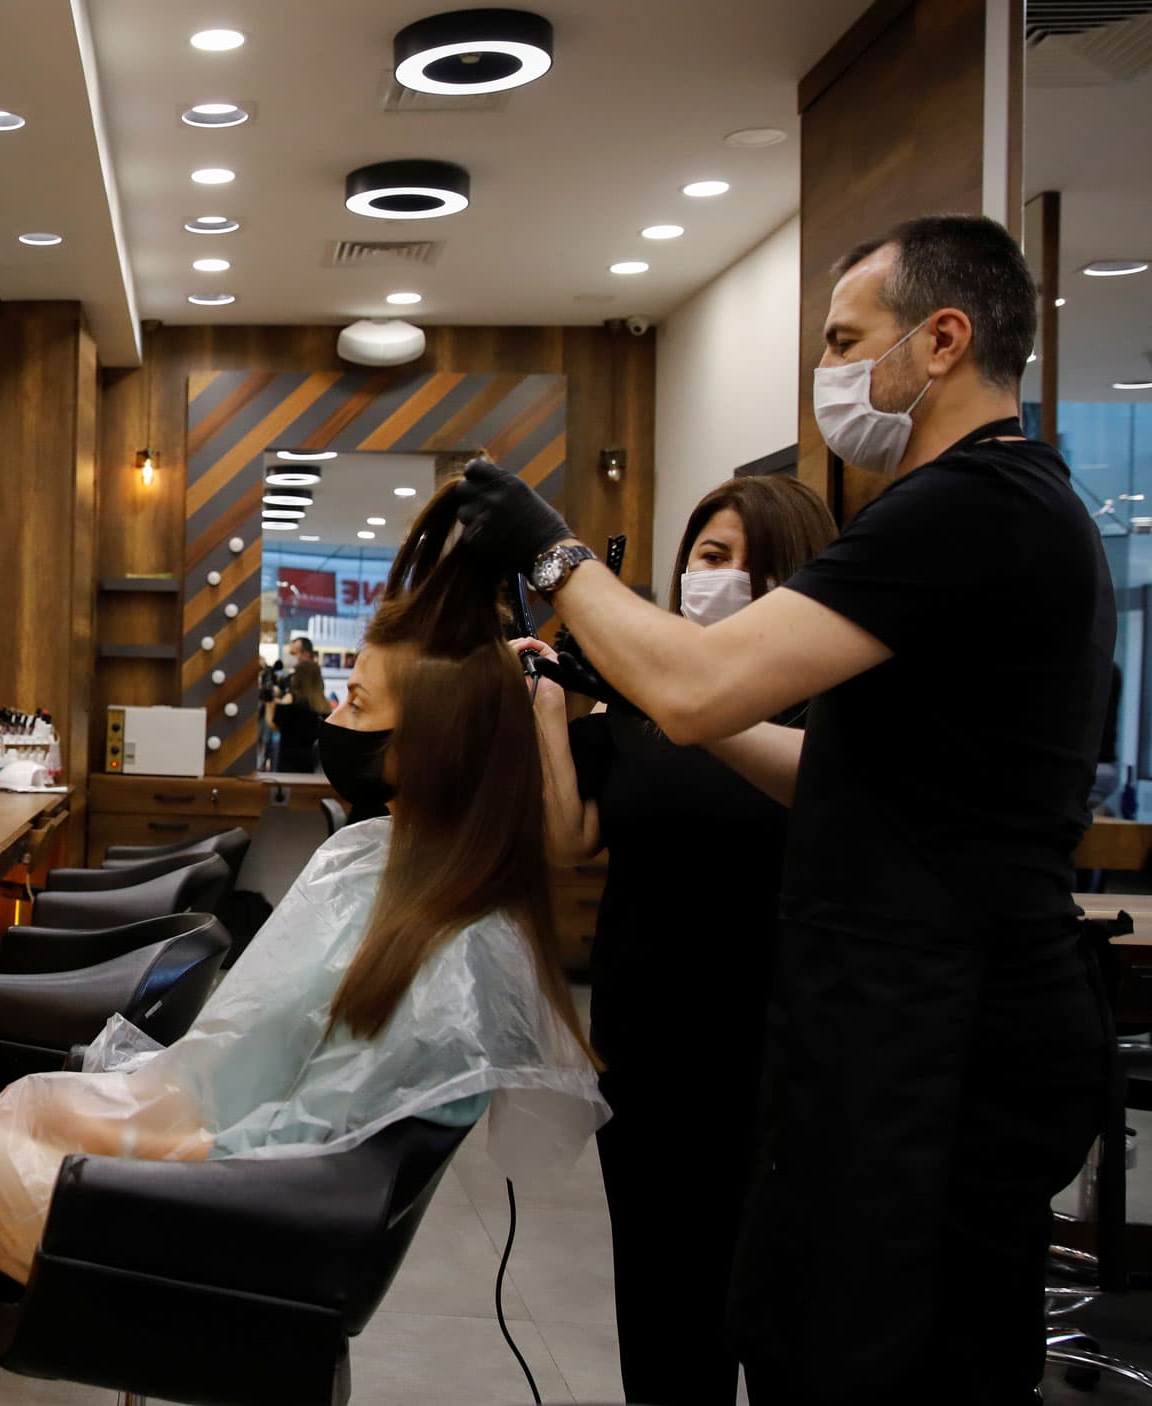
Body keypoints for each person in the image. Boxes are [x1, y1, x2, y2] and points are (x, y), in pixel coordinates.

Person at [0, 483, 608, 1406]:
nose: (329, 715)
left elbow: (303, 1143)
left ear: (423, 749)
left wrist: (131, 1145)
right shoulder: (410, 873)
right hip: (208, 1200)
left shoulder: (442, 932)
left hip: (207, 1227)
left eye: (353, 704)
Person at [450, 213, 1111, 1402]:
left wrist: (550, 553)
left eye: (848, 338)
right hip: (902, 1017)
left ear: (944, 339)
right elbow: (834, 777)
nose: (830, 371)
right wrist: (624, 683)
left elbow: (700, 685)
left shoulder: (970, 506)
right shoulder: (996, 511)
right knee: (812, 1335)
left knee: (889, 1362)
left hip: (941, 1028)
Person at [519, 475, 834, 1406]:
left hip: (789, 1061)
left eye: (756, 565)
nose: (725, 578)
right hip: (650, 1055)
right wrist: (545, 701)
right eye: (710, 555)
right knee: (665, 1324)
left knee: (786, 1322)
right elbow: (570, 837)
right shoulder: (636, 708)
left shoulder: (829, 710)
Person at [269, 635, 323, 772]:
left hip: (290, 761)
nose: (290, 657)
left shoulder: (294, 698)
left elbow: (274, 724)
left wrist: (272, 704)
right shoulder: (321, 703)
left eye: (293, 653)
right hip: (310, 764)